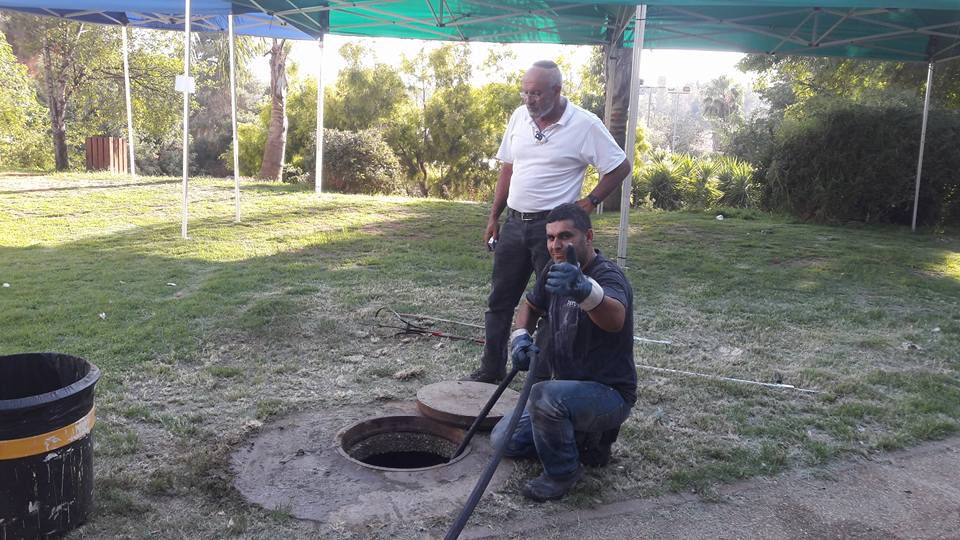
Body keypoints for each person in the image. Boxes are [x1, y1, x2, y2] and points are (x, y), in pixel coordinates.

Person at [464, 60, 631, 384]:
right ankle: (491, 370)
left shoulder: (585, 124)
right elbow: (508, 170)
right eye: (525, 92)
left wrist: (591, 200)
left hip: (553, 233)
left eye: (537, 93)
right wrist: (494, 216)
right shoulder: (518, 117)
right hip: (514, 224)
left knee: (551, 306)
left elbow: (619, 166)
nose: (529, 100)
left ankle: (537, 382)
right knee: (499, 300)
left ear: (557, 91)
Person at [490, 203, 636, 502]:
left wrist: (585, 292)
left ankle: (563, 472)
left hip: (608, 394)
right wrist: (520, 337)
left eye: (565, 236)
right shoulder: (553, 270)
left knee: (544, 395)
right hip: (566, 392)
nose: (556, 245)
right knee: (503, 439)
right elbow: (530, 306)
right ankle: (583, 440)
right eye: (550, 237)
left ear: (589, 236)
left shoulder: (608, 276)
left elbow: (615, 319)